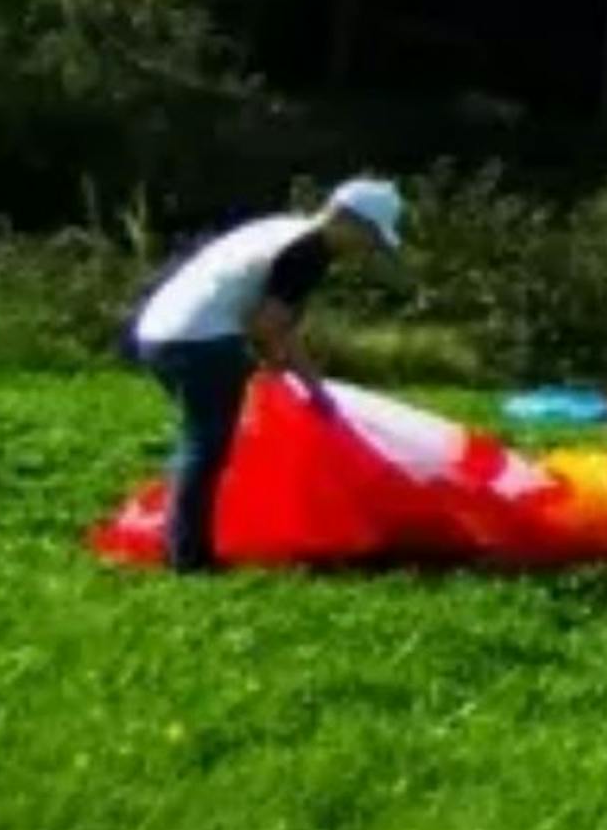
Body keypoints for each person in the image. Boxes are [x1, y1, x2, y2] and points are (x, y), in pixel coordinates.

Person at [124, 179, 405, 575]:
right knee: (205, 446)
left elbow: (273, 325)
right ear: (348, 220)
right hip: (200, 339)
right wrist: (302, 380)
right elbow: (269, 326)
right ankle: (187, 558)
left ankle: (186, 540)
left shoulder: (283, 229)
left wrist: (301, 378)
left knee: (204, 442)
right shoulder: (310, 250)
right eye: (371, 236)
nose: (368, 248)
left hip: (159, 332)